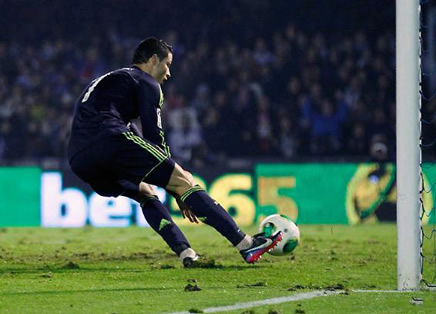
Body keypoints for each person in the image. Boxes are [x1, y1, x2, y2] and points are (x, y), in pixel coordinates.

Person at [67, 38, 282, 267]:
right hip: (108, 138)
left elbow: (135, 139)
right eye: (167, 65)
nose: (168, 73)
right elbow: (155, 139)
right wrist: (178, 187)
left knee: (145, 192)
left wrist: (170, 183)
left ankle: (186, 253)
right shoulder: (146, 82)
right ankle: (246, 244)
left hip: (79, 158)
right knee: (184, 179)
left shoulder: (111, 82)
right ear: (152, 60)